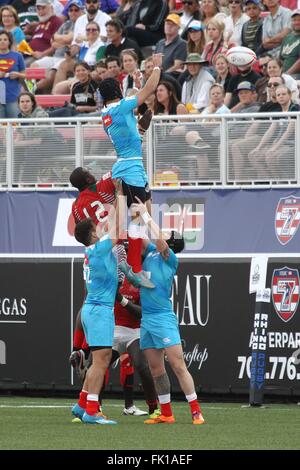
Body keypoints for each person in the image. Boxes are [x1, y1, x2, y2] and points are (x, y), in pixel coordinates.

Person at [130, 200, 205, 425]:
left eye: (168, 234)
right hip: (147, 320)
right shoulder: (152, 251)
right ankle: (166, 413)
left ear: (172, 242)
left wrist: (147, 216)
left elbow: (159, 240)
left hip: (163, 318)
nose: (163, 234)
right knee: (156, 368)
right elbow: (140, 238)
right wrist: (141, 210)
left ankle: (196, 411)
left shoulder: (170, 258)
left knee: (178, 365)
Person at [98, 53, 163, 289]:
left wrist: (134, 85)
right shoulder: (120, 109)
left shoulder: (107, 114)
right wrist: (156, 68)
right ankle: (133, 268)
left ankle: (130, 260)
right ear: (118, 92)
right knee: (139, 218)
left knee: (144, 214)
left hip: (130, 166)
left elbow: (129, 124)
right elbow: (149, 91)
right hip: (130, 169)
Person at [72, 190, 126, 425]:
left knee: (99, 358)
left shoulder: (92, 250)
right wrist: (121, 195)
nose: (98, 228)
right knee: (101, 361)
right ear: (92, 234)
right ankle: (92, 411)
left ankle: (82, 404)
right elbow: (119, 229)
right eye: (95, 227)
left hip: (92, 309)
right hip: (99, 311)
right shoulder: (99, 248)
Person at [0, 31, 25, 118]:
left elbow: (25, 74)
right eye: (0, 39)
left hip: (13, 96)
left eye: (5, 39)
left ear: (9, 41)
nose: (2, 41)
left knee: (15, 126)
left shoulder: (17, 56)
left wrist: (17, 74)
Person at [280, 9, 300, 78]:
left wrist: (286, 75)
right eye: (294, 20)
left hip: (296, 76)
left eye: (299, 20)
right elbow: (281, 59)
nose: (297, 22)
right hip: (285, 74)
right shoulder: (287, 37)